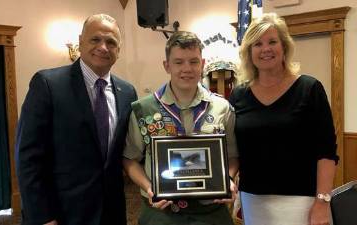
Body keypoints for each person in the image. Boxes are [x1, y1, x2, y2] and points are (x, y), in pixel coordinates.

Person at [16, 14, 137, 225]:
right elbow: (28, 157)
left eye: (111, 42)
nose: (103, 47)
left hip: (111, 212)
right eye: (95, 39)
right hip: (61, 213)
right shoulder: (48, 84)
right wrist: (42, 216)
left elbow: (128, 151)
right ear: (80, 42)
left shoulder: (127, 92)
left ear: (119, 50)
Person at [228, 13, 338, 225]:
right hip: (253, 200)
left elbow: (326, 152)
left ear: (284, 46)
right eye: (257, 44)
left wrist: (322, 202)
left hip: (302, 202)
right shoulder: (238, 95)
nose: (265, 49)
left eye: (272, 41)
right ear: (249, 52)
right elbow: (234, 150)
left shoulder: (309, 88)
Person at [122, 31, 239, 225]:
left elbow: (233, 154)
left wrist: (228, 178)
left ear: (202, 64)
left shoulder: (222, 107)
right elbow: (129, 158)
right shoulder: (144, 109)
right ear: (166, 66)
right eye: (178, 62)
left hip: (210, 211)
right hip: (161, 212)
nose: (187, 68)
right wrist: (150, 187)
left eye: (193, 62)